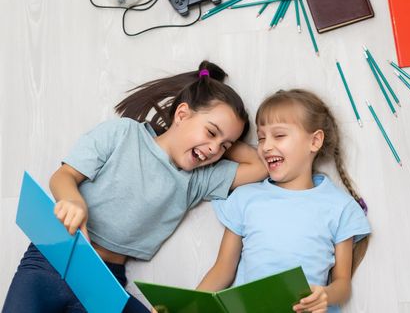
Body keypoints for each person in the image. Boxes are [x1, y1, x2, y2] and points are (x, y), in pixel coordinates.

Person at [3, 61, 267, 313]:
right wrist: (72, 200)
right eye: (210, 133)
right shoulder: (123, 133)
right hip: (54, 256)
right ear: (182, 114)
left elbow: (261, 165)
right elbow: (63, 176)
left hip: (105, 281)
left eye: (225, 147)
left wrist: (224, 136)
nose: (214, 149)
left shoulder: (199, 179)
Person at [197, 89, 371, 313]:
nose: (266, 146)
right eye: (261, 138)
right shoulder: (246, 197)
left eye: (279, 136)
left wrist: (324, 295)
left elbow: (343, 284)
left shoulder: (340, 207)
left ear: (315, 141)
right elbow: (223, 269)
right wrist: (186, 306)